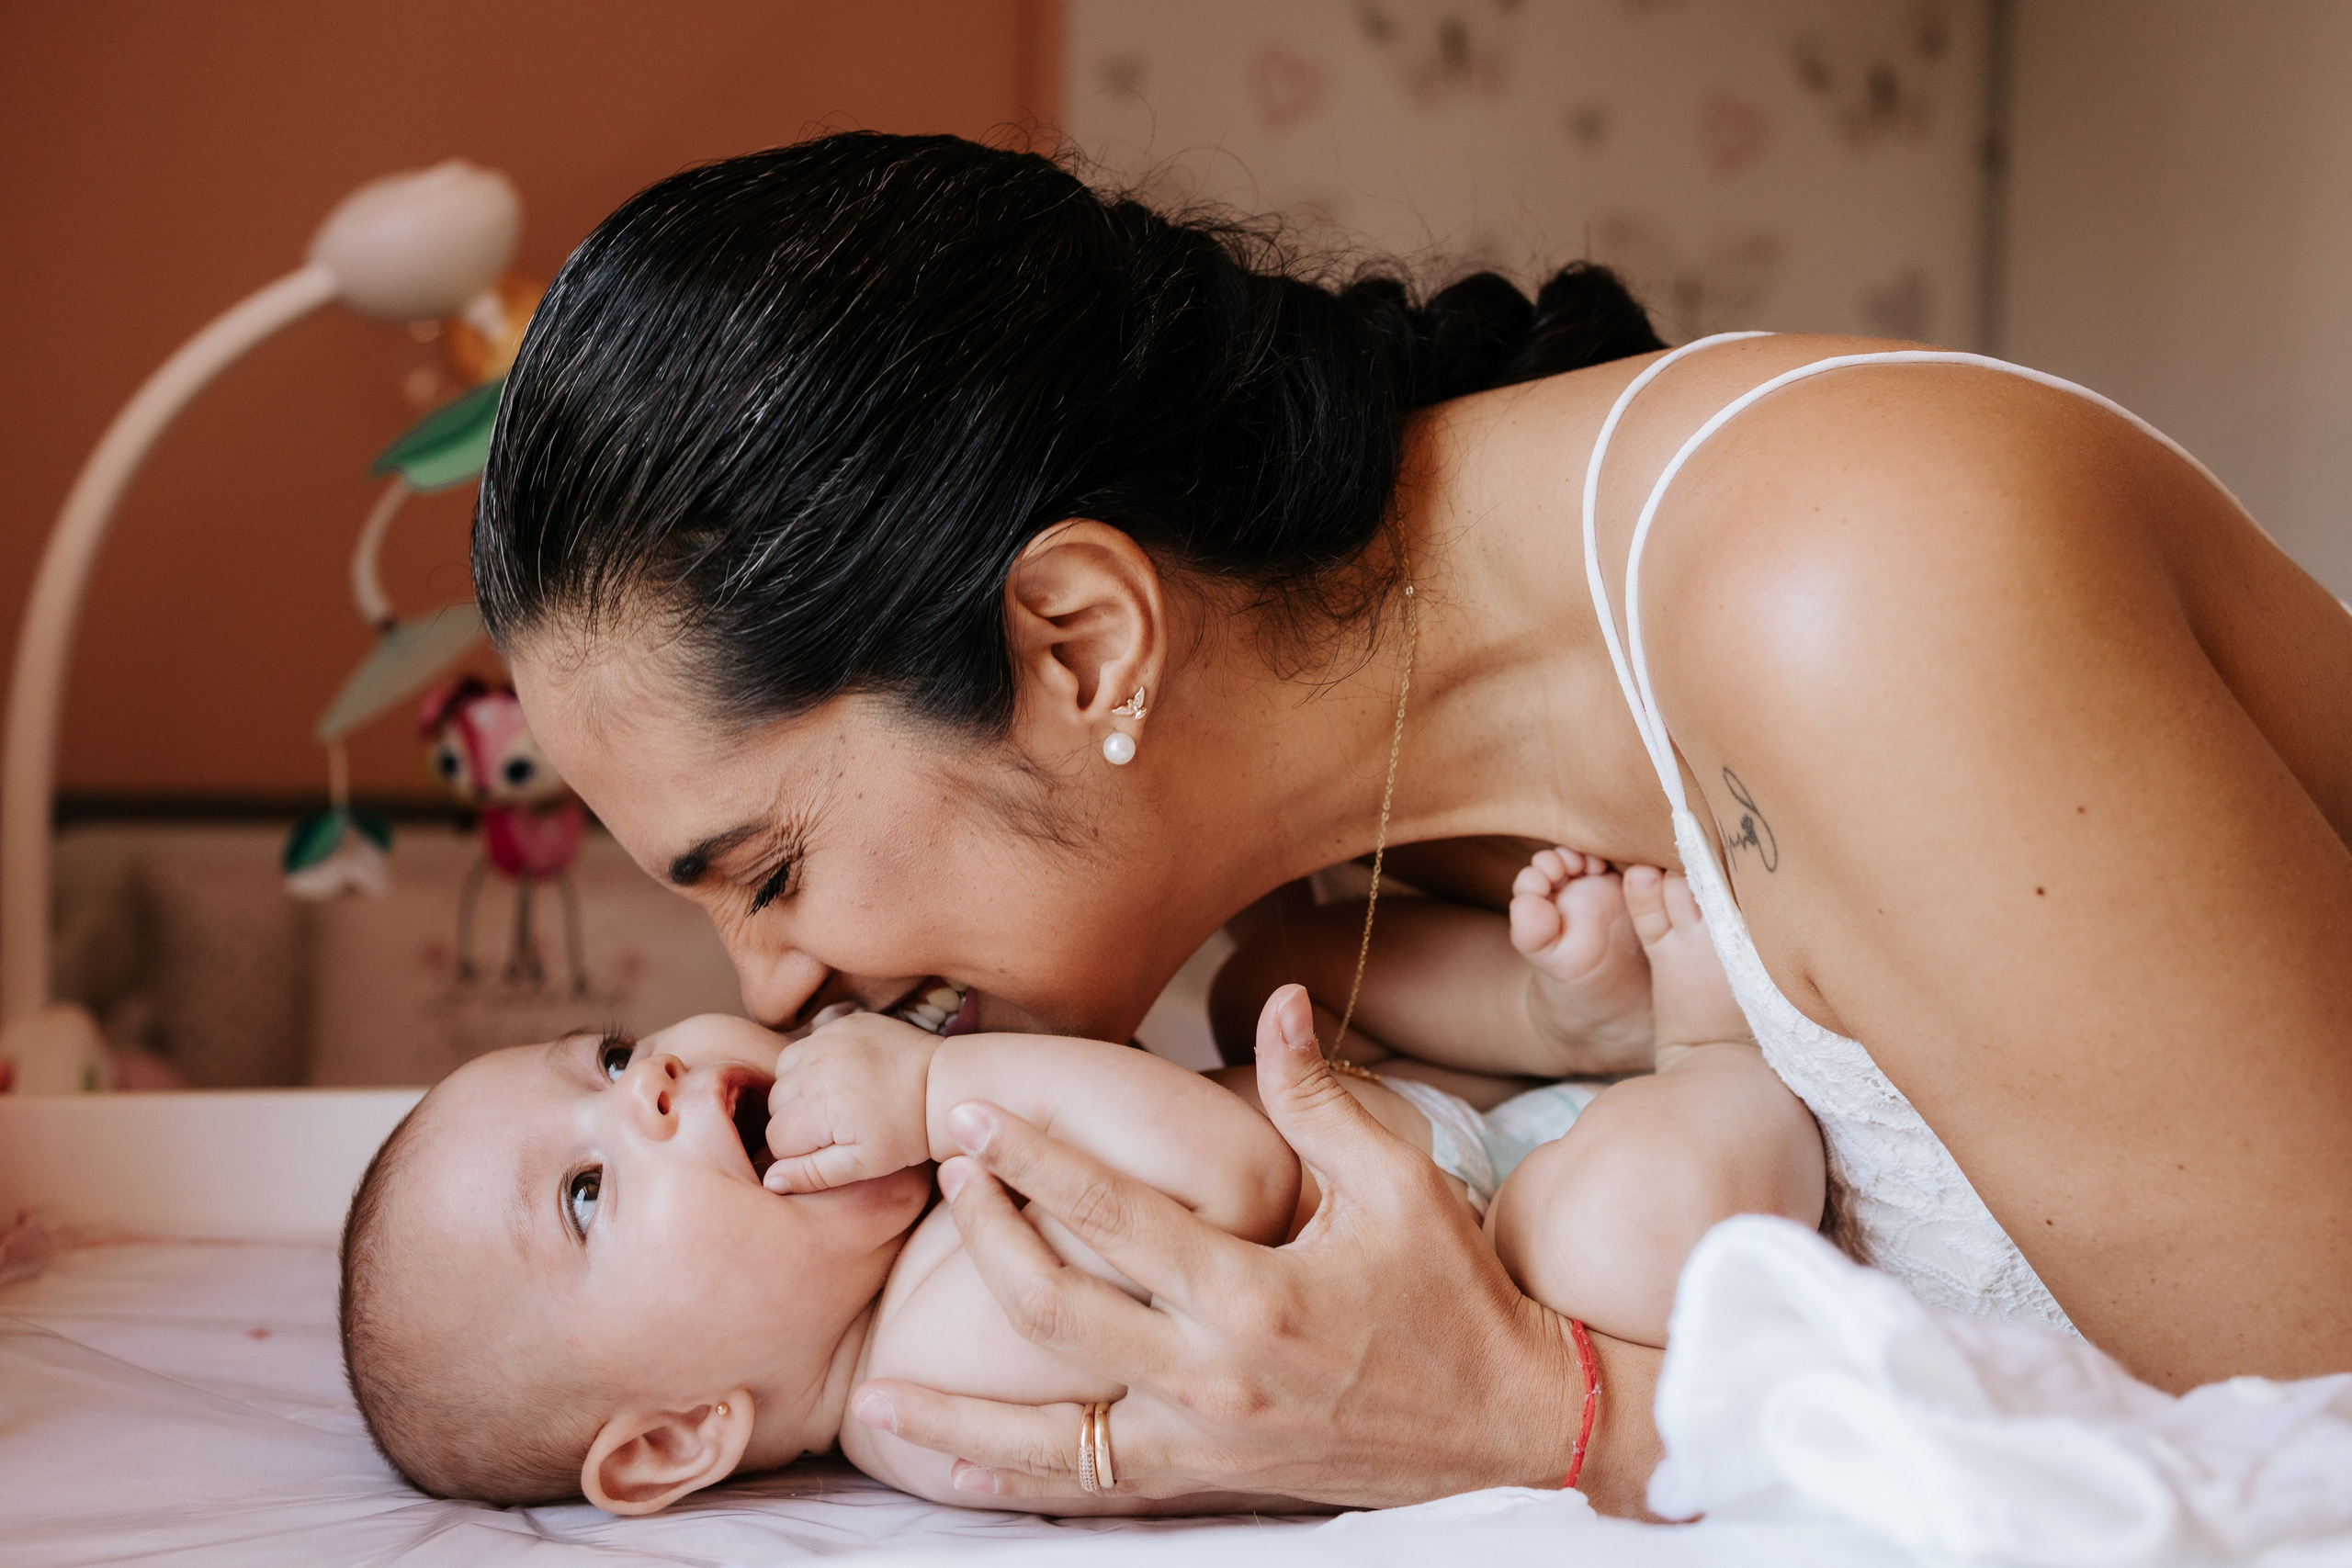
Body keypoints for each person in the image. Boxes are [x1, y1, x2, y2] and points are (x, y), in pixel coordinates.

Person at [471, 132, 2352, 1517]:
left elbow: (2313, 1483)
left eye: (773, 870)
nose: (779, 988)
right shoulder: (1349, 872)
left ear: (1074, 638)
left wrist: (1535, 1413)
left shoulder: (1858, 596)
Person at [337, 856, 1808, 1512]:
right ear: (674, 1443)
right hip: (1507, 1247)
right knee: (1633, 1231)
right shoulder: (932, 1365)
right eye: (588, 1194)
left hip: (1431, 1129)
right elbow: (1227, 1174)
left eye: (602, 1053)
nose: (642, 1082)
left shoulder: (916, 1253)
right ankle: (1704, 1059)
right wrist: (933, 1088)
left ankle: (1564, 1029)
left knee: (1273, 980)